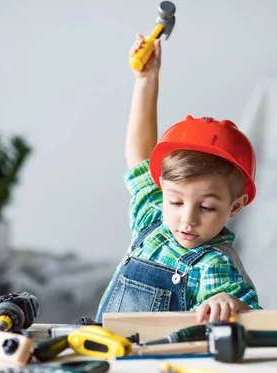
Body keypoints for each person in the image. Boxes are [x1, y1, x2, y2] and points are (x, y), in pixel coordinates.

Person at [95, 34, 261, 324]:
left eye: (207, 207)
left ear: (235, 206)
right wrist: (146, 80)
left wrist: (231, 303)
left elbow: (258, 321)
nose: (187, 219)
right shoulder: (152, 219)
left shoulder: (213, 266)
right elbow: (139, 158)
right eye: (174, 201)